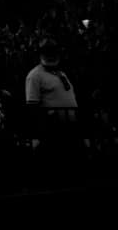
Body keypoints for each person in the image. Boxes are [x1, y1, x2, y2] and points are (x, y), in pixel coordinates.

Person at [25, 38, 83, 167]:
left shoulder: (60, 72)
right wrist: (36, 134)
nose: (51, 55)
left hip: (70, 127)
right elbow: (32, 107)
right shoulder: (35, 75)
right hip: (53, 129)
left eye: (53, 52)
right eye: (47, 52)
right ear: (40, 54)